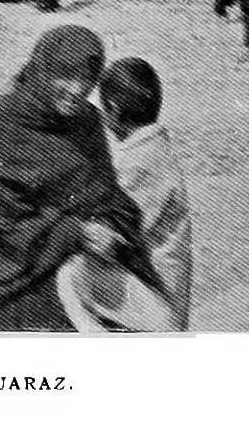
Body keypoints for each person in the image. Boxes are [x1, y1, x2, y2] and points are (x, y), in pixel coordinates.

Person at [0, 26, 155, 332]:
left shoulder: (87, 121)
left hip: (83, 274)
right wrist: (76, 231)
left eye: (87, 78)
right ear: (43, 69)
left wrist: (109, 228)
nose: (77, 89)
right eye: (65, 75)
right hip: (14, 287)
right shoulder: (5, 119)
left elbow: (108, 196)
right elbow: (1, 220)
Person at [60, 57, 194, 331]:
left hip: (156, 297)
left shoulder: (136, 162)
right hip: (163, 281)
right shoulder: (154, 147)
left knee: (68, 276)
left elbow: (111, 228)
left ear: (114, 110)